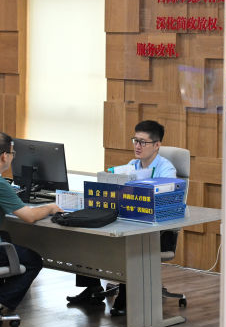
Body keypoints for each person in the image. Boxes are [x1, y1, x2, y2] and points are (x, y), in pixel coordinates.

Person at [67, 119, 177, 316]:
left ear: (157, 145)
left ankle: (126, 299)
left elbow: (164, 202)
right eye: (135, 140)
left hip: (157, 231)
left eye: (143, 142)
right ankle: (93, 288)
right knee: (87, 235)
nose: (137, 146)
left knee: (130, 243)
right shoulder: (132, 165)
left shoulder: (166, 169)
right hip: (129, 222)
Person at [0, 132, 63, 325]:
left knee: (5, 236)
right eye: (13, 153)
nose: (13, 157)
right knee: (33, 261)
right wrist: (50, 208)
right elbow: (29, 217)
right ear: (4, 156)